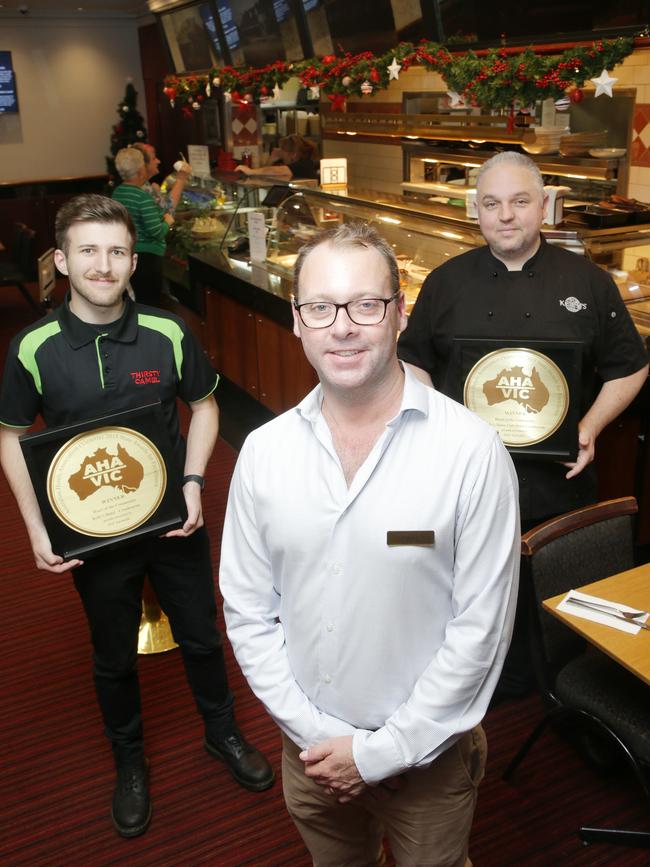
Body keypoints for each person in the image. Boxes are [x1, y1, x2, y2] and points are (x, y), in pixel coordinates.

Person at [219, 222, 520, 866]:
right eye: (321, 307)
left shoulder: (471, 451)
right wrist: (321, 739)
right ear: (297, 320)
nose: (343, 326)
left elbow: (482, 631)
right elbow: (247, 611)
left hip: (429, 760)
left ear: (398, 315)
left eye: (366, 304)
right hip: (312, 756)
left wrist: (383, 753)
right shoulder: (264, 453)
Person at [0, 194, 274, 839]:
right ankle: (129, 763)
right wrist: (36, 526)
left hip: (172, 520)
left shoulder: (168, 330)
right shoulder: (33, 346)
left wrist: (194, 481)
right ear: (62, 260)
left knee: (203, 636)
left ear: (133, 260)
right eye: (88, 251)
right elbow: (11, 434)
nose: (104, 265)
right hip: (90, 534)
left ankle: (223, 732)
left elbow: (205, 407)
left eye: (117, 252)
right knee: (113, 654)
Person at [397, 150, 648, 695]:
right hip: (465, 477)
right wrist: (437, 425)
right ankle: (482, 679)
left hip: (558, 477)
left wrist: (591, 426)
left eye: (519, 201)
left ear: (544, 206)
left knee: (557, 589)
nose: (505, 215)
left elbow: (632, 366)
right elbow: (412, 359)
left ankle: (564, 685)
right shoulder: (445, 282)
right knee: (468, 582)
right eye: (491, 203)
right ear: (477, 211)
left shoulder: (588, 282)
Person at [112, 147, 172, 306]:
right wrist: (168, 221)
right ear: (140, 170)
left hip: (128, 252)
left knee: (135, 300)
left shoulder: (118, 193)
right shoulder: (142, 197)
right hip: (148, 257)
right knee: (149, 303)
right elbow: (156, 232)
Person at [132, 141, 191, 215]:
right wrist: (181, 179)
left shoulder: (144, 184)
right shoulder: (143, 190)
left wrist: (157, 193)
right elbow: (167, 211)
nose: (158, 161)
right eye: (154, 159)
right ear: (143, 165)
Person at [235, 134, 319, 181]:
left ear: (293, 154)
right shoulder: (290, 163)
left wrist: (251, 172)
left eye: (282, 149)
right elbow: (264, 176)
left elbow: (279, 171)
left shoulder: (304, 165)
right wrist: (271, 160)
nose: (279, 151)